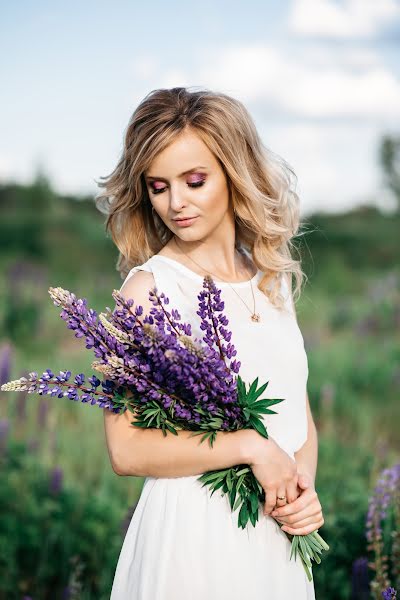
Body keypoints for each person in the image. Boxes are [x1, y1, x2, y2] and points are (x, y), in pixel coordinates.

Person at [96, 86, 323, 599]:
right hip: (193, 541)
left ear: (233, 172)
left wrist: (300, 487)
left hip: (275, 536)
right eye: (158, 187)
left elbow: (297, 415)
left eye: (194, 181)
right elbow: (125, 448)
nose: (176, 203)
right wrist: (248, 447)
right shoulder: (148, 290)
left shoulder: (272, 277)